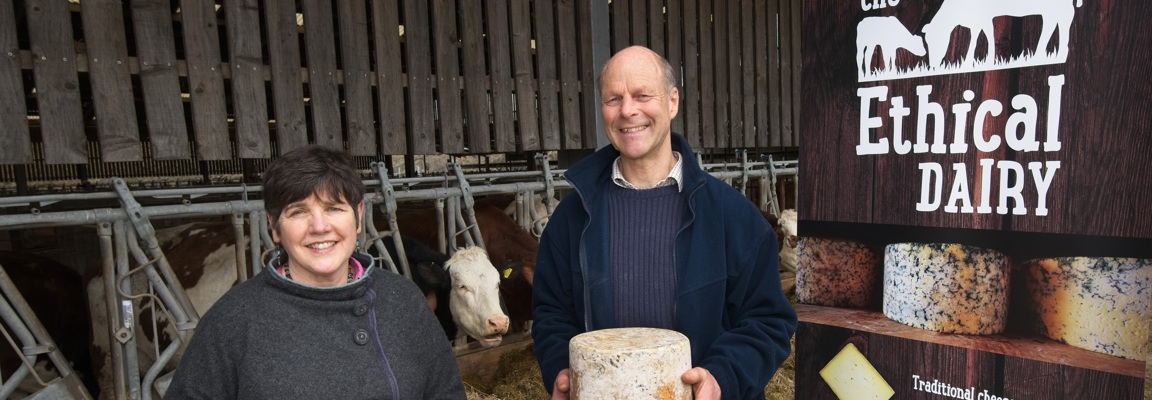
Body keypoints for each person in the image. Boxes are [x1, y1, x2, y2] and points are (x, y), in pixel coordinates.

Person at [531, 46, 797, 399]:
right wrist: (561, 369)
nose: (628, 110)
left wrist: (721, 377)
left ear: (672, 102)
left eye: (642, 95)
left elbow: (768, 321)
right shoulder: (572, 216)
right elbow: (551, 313)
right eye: (613, 99)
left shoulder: (732, 216)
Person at [165, 145, 466, 399]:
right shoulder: (233, 319)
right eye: (298, 211)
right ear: (275, 227)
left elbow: (446, 392)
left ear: (358, 217)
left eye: (334, 208)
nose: (320, 227)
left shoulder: (401, 298)